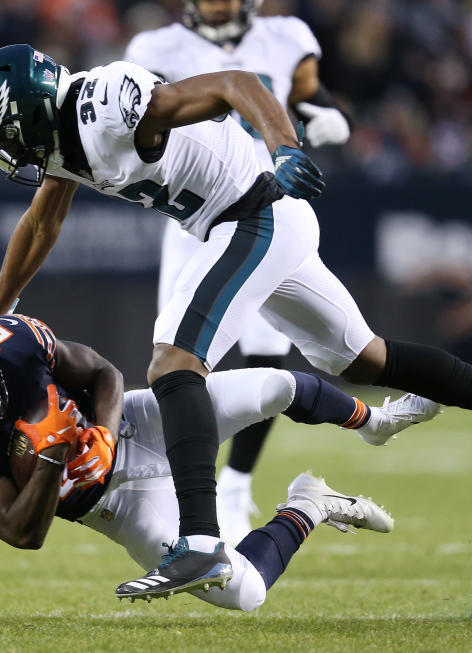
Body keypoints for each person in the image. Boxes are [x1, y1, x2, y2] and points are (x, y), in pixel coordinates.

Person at [0, 44, 472, 601]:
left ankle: (201, 539)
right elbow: (41, 225)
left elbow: (237, 82)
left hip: (253, 212)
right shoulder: (69, 137)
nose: (10, 154)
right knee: (365, 359)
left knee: (174, 360)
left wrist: (285, 146)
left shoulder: (105, 108)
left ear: (30, 113)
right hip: (241, 222)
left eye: (7, 138)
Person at [0, 315, 431, 610]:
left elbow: (103, 374)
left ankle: (373, 423)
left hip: (139, 423)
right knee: (245, 594)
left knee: (277, 385)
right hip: (116, 505)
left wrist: (101, 431)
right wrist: (51, 456)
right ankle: (307, 506)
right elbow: (24, 533)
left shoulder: (9, 344)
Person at [124, 0, 353, 544]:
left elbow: (307, 96)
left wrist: (327, 114)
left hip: (265, 203)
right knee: (179, 356)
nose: (219, 4)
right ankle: (181, 492)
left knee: (270, 347)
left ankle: (235, 482)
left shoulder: (286, 36)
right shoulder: (156, 49)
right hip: (192, 213)